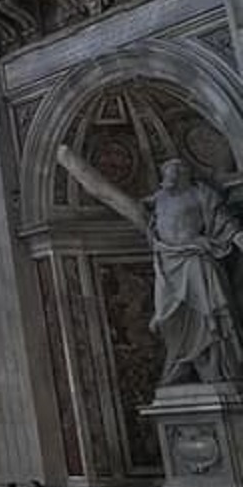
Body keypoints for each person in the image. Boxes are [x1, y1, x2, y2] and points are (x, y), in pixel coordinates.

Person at [58, 145, 243, 387]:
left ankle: (220, 370)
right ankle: (184, 363)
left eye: (175, 171)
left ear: (186, 174)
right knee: (170, 321)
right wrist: (68, 160)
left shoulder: (201, 194)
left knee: (210, 316)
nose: (169, 175)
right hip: (168, 264)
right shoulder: (159, 199)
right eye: (166, 172)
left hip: (196, 261)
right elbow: (110, 196)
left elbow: (225, 224)